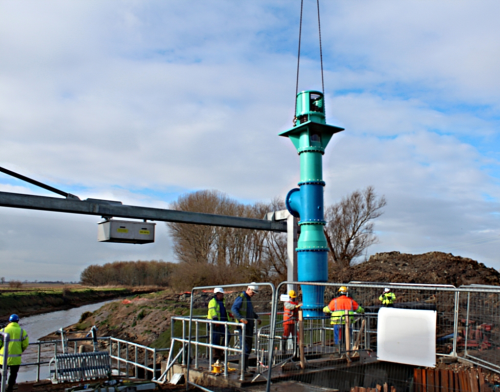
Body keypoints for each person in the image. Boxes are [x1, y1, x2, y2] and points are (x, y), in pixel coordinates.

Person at [231, 283, 261, 374]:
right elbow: (234, 309)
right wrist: (240, 319)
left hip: (249, 326)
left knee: (248, 347)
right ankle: (242, 370)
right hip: (243, 327)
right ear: (248, 289)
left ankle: (244, 368)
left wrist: (256, 317)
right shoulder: (241, 298)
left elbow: (250, 311)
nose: (253, 294)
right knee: (245, 347)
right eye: (253, 292)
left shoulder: (248, 299)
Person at [0, 314, 29, 392]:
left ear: (9, 321)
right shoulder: (22, 331)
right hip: (16, 358)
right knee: (13, 374)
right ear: (18, 321)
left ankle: (1, 385)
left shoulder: (2, 330)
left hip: (3, 357)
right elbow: (25, 344)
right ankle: (10, 388)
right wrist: (20, 350)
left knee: (2, 372)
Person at [207, 287, 233, 361]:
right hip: (214, 323)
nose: (222, 295)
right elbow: (212, 311)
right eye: (221, 294)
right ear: (217, 294)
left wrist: (229, 316)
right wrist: (216, 321)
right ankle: (216, 354)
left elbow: (223, 312)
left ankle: (221, 351)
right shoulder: (213, 301)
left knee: (227, 335)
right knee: (215, 338)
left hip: (222, 323)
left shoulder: (222, 302)